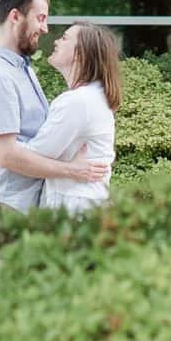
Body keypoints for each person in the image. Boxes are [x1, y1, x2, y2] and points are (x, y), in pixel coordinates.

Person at [0, 0, 106, 269]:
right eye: (41, 18)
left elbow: (28, 137)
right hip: (6, 206)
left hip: (22, 205)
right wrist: (73, 171)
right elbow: (7, 156)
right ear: (15, 16)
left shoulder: (21, 68)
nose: (45, 29)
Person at [25, 21, 120, 212]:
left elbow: (31, 157)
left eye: (65, 38)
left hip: (74, 210)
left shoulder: (78, 101)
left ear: (81, 53)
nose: (56, 42)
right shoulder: (91, 98)